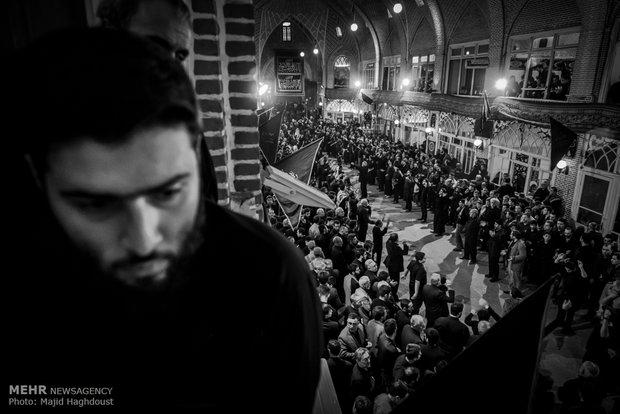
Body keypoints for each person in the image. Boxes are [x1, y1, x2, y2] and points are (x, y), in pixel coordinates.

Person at [7, 28, 322, 411]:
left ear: (195, 158)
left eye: (168, 193)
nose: (144, 239)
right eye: (96, 205)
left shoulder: (272, 279)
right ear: (38, 180)